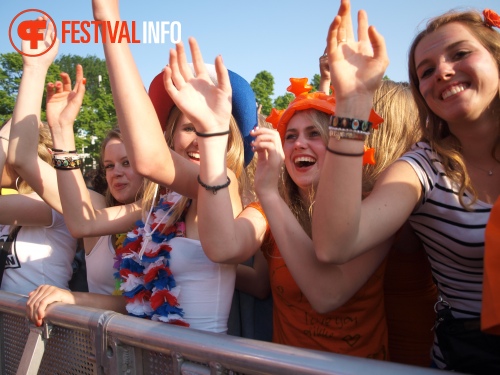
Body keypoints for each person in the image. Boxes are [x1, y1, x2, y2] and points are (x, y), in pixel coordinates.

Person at [158, 33, 431, 358]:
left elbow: (327, 294)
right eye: (290, 136)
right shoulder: (267, 209)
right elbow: (222, 247)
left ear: (340, 144)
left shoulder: (370, 207)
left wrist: (270, 194)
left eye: (315, 133)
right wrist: (213, 136)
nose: (300, 143)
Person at [312, 1, 500, 372]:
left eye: (460, 53)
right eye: (425, 71)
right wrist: (352, 104)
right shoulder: (421, 167)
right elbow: (335, 245)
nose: (443, 72)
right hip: (472, 357)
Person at [1, 19, 77, 296]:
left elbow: (20, 158)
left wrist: (8, 133)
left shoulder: (48, 203)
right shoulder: (15, 202)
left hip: (46, 330)